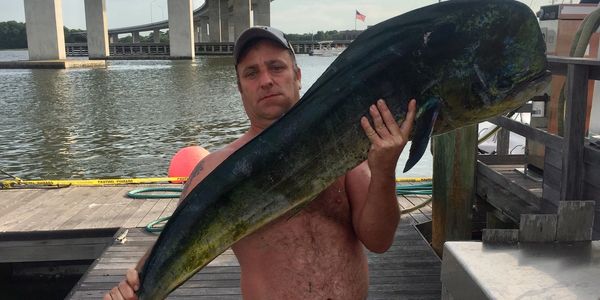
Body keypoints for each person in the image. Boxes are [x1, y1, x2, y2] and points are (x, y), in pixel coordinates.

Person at [105, 26, 416, 300]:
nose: (266, 80)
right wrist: (132, 287)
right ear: (240, 89)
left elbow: (379, 240)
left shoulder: (341, 149)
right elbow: (173, 243)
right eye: (251, 73)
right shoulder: (218, 169)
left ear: (297, 75)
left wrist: (385, 169)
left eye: (276, 67)